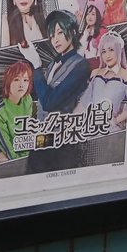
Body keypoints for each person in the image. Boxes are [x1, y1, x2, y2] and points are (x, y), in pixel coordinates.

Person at [20, 11, 91, 171]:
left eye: (60, 33)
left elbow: (49, 102)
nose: (55, 40)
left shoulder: (80, 65)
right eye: (52, 35)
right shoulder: (52, 64)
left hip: (64, 143)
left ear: (73, 32)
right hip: (42, 139)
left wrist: (37, 66)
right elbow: (41, 98)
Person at [76, 30, 127, 131]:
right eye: (103, 51)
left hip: (111, 129)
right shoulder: (95, 73)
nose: (107, 55)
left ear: (119, 50)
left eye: (111, 50)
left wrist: (117, 120)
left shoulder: (125, 75)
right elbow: (84, 102)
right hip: (89, 126)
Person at [0, 61, 34, 163]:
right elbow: (5, 143)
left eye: (25, 80)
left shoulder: (28, 100)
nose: (21, 85)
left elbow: (27, 132)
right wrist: (19, 161)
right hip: (1, 147)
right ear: (8, 82)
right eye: (16, 79)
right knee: (8, 163)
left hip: (20, 144)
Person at [78, 0, 104, 64]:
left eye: (93, 14)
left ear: (98, 16)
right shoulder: (84, 34)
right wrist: (85, 35)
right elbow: (79, 54)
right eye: (88, 14)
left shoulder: (102, 31)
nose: (89, 17)